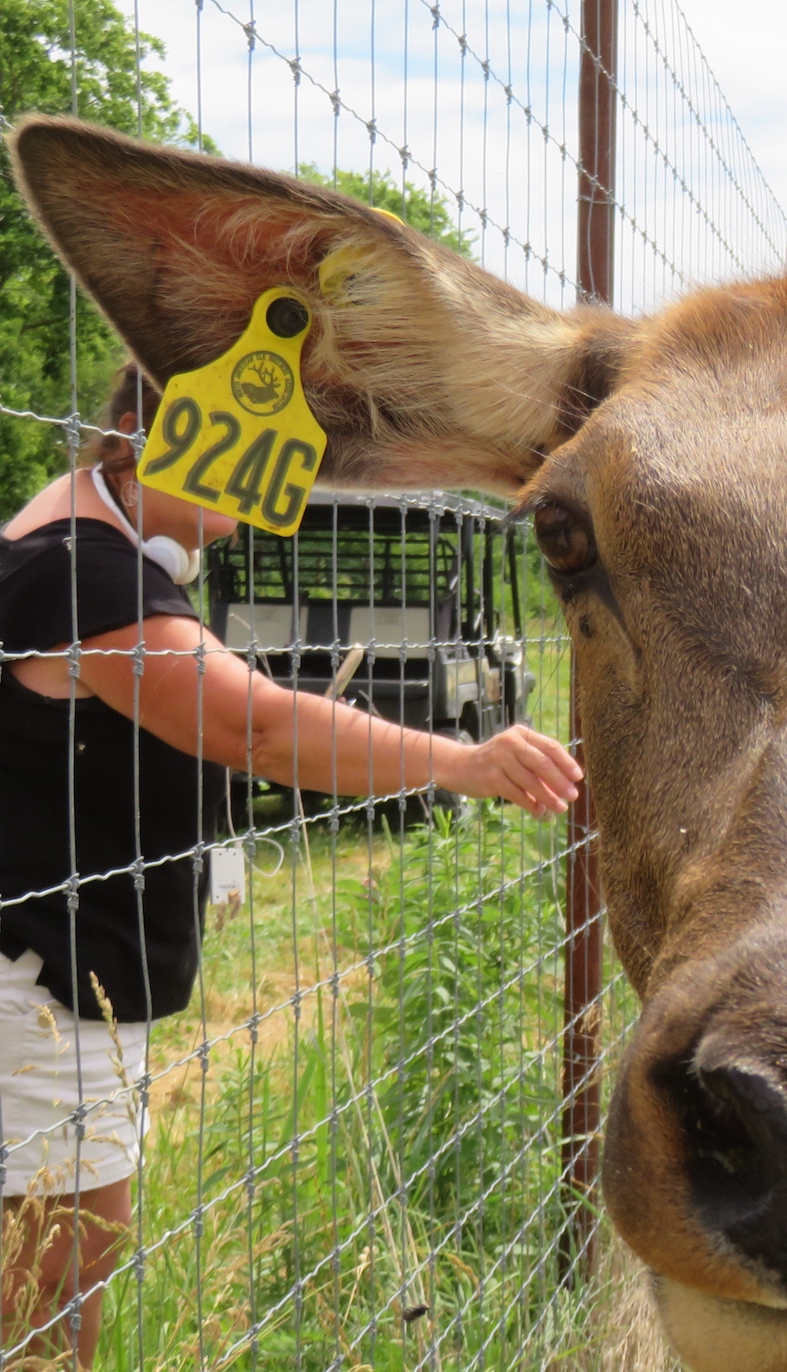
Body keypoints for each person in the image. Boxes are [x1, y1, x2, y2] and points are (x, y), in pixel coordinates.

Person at [0, 363, 581, 1365]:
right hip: (47, 989)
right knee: (54, 1287)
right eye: (235, 454)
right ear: (142, 433)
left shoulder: (70, 544)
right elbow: (257, 729)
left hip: (48, 968)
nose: (248, 496)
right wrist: (462, 760)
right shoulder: (83, 572)